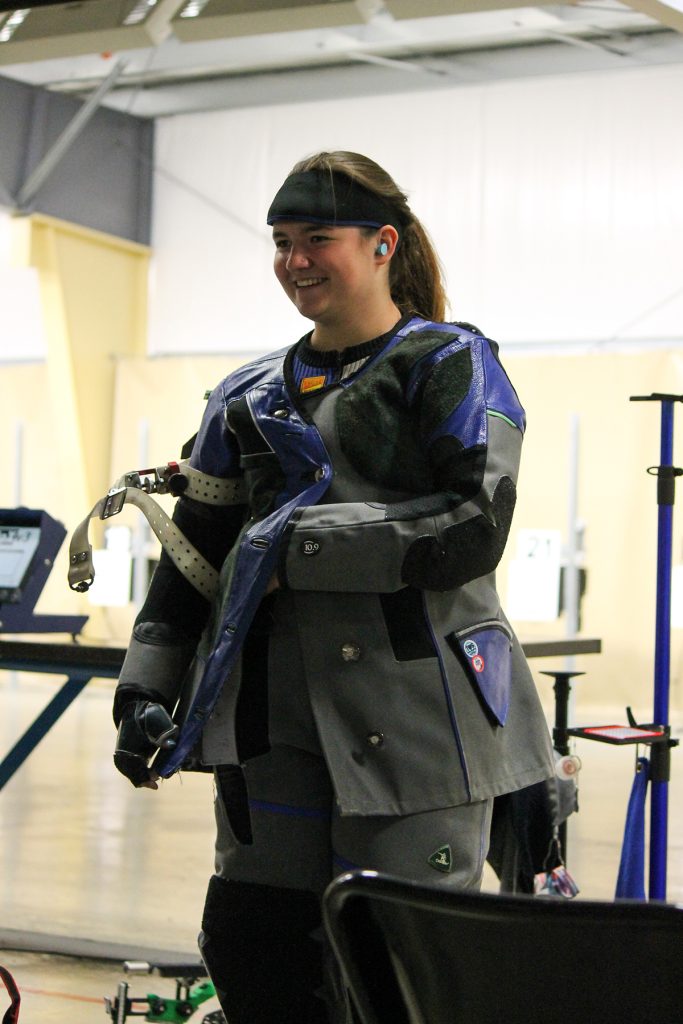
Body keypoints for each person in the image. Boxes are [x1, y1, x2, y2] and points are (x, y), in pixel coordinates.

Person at [111, 150, 555, 1023]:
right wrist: (143, 686)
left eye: (318, 238)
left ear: (383, 244)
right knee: (255, 952)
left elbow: (474, 525)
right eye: (281, 241)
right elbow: (193, 556)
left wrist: (289, 545)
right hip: (269, 728)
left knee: (402, 970)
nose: (295, 260)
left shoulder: (449, 367)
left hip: (422, 733)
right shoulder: (244, 396)